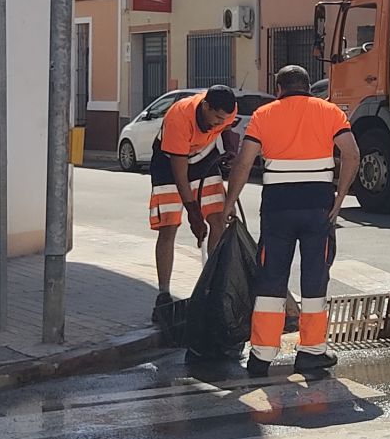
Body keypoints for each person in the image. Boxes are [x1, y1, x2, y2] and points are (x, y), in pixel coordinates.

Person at [224, 64, 359, 377]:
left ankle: (261, 356)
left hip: (277, 209)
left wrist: (229, 203)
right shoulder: (330, 112)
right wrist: (340, 198)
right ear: (309, 87)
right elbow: (352, 154)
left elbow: (243, 163)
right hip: (318, 208)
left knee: (271, 279)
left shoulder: (264, 115)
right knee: (315, 278)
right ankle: (311, 352)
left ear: (278, 89)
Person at [149, 84, 240, 324]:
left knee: (218, 218)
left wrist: (230, 147)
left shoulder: (227, 110)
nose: (219, 122)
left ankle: (214, 285)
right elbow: (180, 175)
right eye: (216, 117)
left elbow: (228, 127)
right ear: (206, 107)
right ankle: (163, 293)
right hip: (169, 163)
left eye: (224, 118)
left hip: (205, 157)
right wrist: (193, 213)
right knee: (168, 226)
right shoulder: (179, 118)